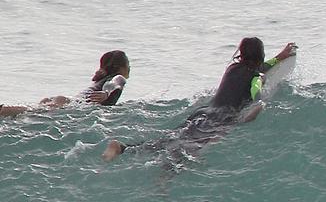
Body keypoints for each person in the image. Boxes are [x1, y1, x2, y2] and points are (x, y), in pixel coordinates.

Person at [102, 37, 296, 161]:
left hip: (204, 112)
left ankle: (123, 148)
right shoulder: (255, 78)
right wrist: (259, 104)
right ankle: (164, 179)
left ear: (241, 54)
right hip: (220, 119)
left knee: (168, 139)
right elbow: (256, 92)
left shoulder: (232, 68)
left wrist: (280, 56)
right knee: (187, 151)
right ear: (260, 57)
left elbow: (258, 68)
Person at [1, 50, 130, 118]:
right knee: (32, 111)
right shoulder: (117, 77)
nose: (130, 68)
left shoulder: (100, 80)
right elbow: (115, 83)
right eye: (128, 64)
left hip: (66, 100)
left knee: (30, 113)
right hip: (71, 103)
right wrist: (106, 93)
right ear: (121, 67)